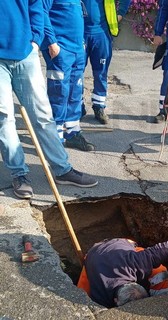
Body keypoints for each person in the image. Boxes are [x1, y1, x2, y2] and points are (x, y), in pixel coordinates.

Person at [0, 0, 98, 199]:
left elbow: (36, 5)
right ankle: (20, 175)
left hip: (26, 53)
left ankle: (62, 170)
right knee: (4, 118)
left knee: (42, 115)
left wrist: (36, 39)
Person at [78, 238, 168, 307]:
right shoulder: (99, 298)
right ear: (115, 302)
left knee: (160, 272)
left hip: (121, 245)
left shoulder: (135, 263)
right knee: (80, 298)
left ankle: (159, 299)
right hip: (92, 257)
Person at [41, 0, 95, 152]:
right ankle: (55, 139)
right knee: (59, 93)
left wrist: (82, 43)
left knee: (75, 92)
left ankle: (73, 133)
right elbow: (42, 12)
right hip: (60, 48)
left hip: (77, 49)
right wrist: (51, 42)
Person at [81, 0, 131, 124]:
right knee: (76, 72)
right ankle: (77, 106)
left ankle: (99, 107)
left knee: (100, 73)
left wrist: (120, 14)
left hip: (101, 32)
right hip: (79, 32)